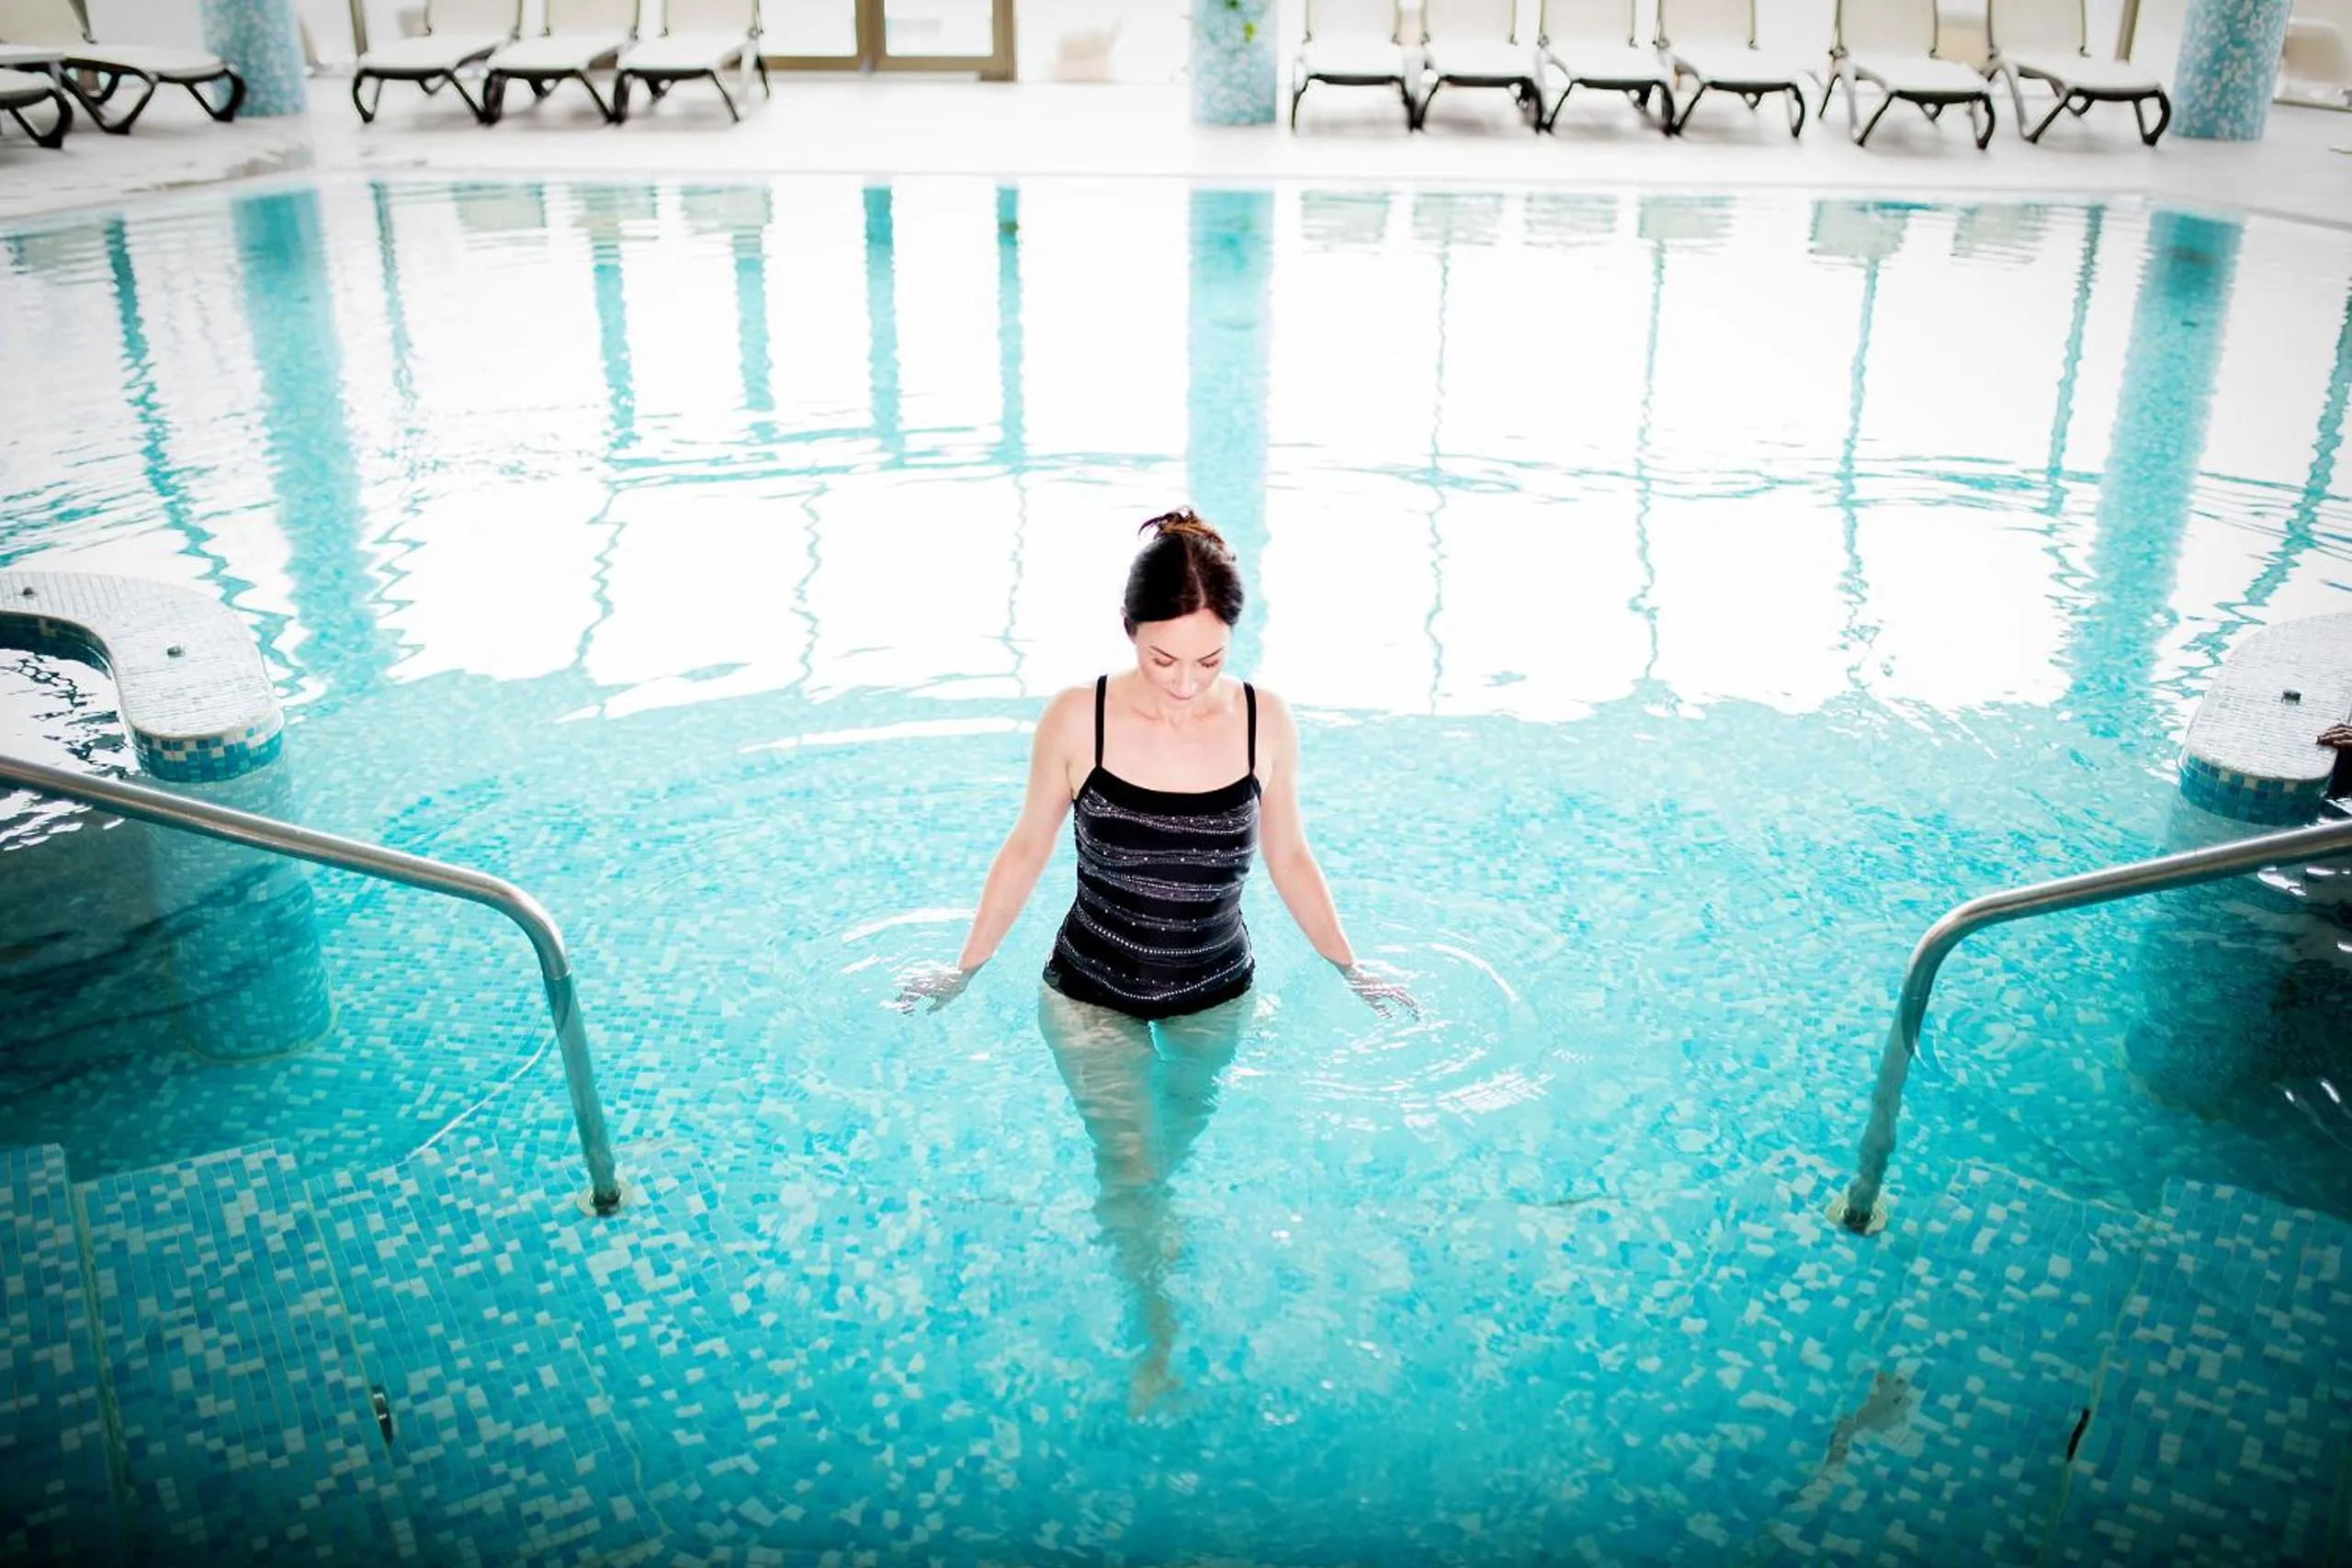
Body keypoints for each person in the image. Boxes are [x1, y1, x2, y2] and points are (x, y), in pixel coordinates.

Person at [890, 509, 1416, 1412]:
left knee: (1165, 1156)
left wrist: (1347, 966)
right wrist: (966, 968)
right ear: (1129, 632)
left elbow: (1290, 856)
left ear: (1233, 644)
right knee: (1131, 1166)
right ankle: (1157, 1344)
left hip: (1218, 995)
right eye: (1162, 658)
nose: (1183, 682)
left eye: (1207, 660)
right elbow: (1024, 850)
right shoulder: (1076, 717)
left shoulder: (1265, 720)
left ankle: (1145, 1240)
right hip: (1091, 993)